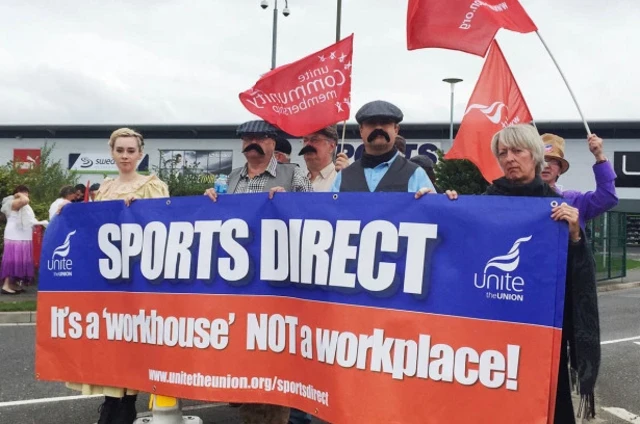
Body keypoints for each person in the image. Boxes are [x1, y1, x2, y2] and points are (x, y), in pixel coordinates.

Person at [484, 124, 600, 423]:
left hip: (543, 329)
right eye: (502, 152)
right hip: (494, 327)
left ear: (535, 156)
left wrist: (574, 236)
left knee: (547, 400)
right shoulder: (484, 201)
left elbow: (578, 276)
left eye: (517, 151)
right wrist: (441, 206)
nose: (509, 158)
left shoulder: (556, 207)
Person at [205, 119, 313, 424]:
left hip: (278, 284)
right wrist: (209, 204)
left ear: (273, 142)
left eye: (261, 137)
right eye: (247, 138)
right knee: (248, 358)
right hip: (240, 284)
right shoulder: (230, 178)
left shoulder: (294, 175)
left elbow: (315, 219)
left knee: (275, 360)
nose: (253, 142)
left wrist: (289, 203)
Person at [62, 128, 171, 424]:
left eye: (130, 150)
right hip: (108, 279)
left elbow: (165, 229)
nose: (125, 155)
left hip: (139, 278)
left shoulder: (153, 185)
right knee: (110, 339)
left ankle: (127, 406)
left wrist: (139, 214)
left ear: (140, 154)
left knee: (134, 341)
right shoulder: (106, 188)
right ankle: (111, 403)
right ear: (112, 153)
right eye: (120, 150)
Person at [330, 100, 435, 195]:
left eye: (385, 122)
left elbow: (434, 213)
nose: (378, 127)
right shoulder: (342, 178)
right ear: (361, 130)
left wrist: (449, 200)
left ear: (396, 129)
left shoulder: (416, 174)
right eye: (371, 123)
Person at [540, 133, 618, 228]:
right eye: (541, 161)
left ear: (560, 170)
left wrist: (599, 156)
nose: (546, 165)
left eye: (553, 161)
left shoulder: (574, 200)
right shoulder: (519, 198)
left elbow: (607, 198)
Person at [0, 185, 48, 294]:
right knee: (13, 259)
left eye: (26, 192)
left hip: (23, 234)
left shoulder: (24, 205)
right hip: (14, 235)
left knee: (21, 259)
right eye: (23, 192)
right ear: (18, 193)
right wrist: (19, 194)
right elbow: (25, 200)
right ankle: (6, 285)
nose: (26, 194)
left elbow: (29, 218)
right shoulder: (13, 202)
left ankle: (13, 283)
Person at [299, 125, 350, 192]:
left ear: (331, 146)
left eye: (314, 140)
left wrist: (349, 179)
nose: (308, 144)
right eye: (305, 140)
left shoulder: (341, 178)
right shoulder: (295, 180)